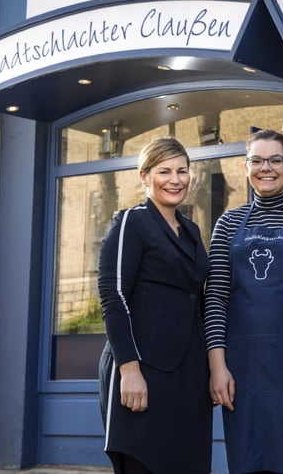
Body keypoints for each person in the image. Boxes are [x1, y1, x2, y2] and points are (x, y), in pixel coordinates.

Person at [204, 128, 283, 474]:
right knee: (249, 463)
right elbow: (215, 299)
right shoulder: (228, 223)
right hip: (241, 371)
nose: (266, 168)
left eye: (275, 160)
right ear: (245, 166)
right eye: (257, 160)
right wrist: (217, 368)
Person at [98, 137, 212, 474]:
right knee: (145, 461)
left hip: (189, 371)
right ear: (144, 176)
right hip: (143, 368)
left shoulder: (191, 230)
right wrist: (129, 369)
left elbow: (199, 300)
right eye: (164, 171)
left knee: (186, 463)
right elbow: (113, 296)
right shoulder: (131, 223)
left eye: (182, 171)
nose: (175, 180)